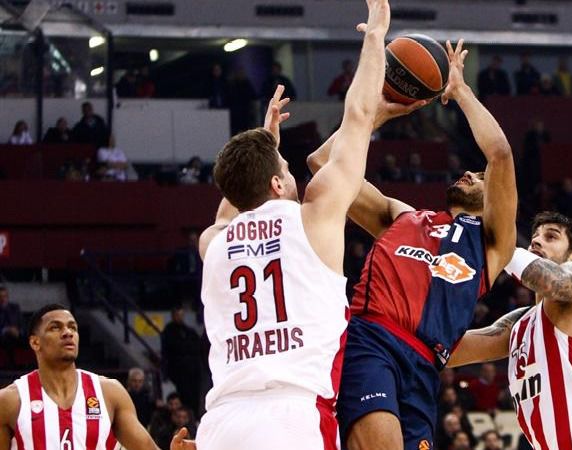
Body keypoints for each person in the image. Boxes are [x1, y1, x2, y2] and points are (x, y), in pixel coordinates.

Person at [194, 1, 394, 448]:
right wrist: (375, 35)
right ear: (276, 183)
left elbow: (231, 204)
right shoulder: (313, 218)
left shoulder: (214, 242)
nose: (293, 176)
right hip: (293, 415)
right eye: (285, 169)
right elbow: (359, 117)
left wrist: (265, 145)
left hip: (222, 422)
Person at [306, 37, 516, 450]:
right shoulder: (403, 216)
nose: (469, 175)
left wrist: (460, 91)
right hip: (373, 341)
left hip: (424, 364)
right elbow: (321, 164)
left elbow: (500, 154)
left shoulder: (492, 245)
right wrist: (373, 117)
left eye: (479, 178)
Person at [448, 211, 572, 449]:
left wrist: (501, 245)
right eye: (535, 236)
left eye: (551, 237)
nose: (536, 240)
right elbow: (448, 352)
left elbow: (552, 282)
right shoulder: (518, 324)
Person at [0, 304, 161, 449]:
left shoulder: (109, 392)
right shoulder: (10, 400)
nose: (67, 333)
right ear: (35, 342)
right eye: (55, 328)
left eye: (73, 327)